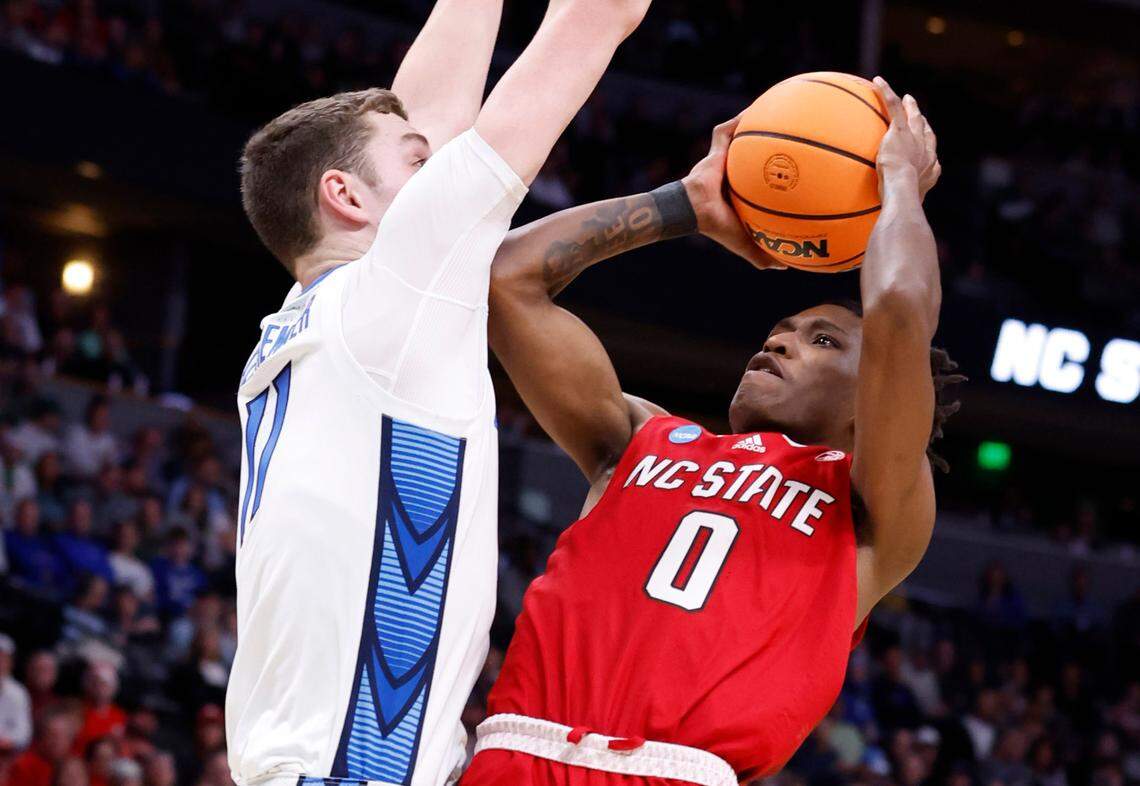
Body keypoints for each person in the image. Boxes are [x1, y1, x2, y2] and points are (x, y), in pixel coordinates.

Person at [461, 79, 960, 785]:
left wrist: (899, 178)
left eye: (821, 341)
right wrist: (685, 207)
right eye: (780, 331)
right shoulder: (639, 438)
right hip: (512, 755)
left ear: (873, 389)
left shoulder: (874, 507)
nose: (781, 344)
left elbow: (901, 308)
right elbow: (507, 279)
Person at [224, 0, 655, 784]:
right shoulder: (391, 296)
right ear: (347, 198)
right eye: (421, 165)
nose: (442, 172)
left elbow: (428, 112)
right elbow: (601, 14)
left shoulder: (310, 322)